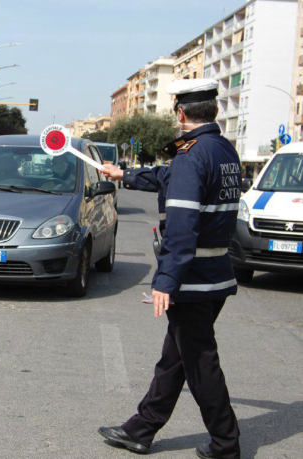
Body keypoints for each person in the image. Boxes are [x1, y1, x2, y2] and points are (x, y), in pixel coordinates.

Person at [97, 79, 242, 459]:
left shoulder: (190, 156)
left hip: (193, 278)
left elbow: (181, 226)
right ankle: (141, 429)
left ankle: (226, 444)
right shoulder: (222, 150)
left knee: (200, 363)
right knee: (176, 358)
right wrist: (124, 175)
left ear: (180, 113)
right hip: (216, 273)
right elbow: (167, 176)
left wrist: (166, 281)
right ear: (214, 110)